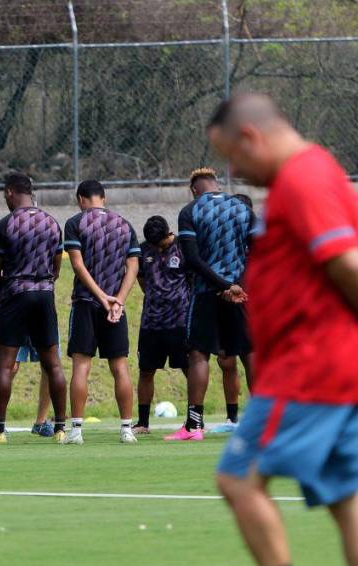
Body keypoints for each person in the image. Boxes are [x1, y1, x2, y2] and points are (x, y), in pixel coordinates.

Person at [210, 92, 358, 566]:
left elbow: (342, 259)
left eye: (231, 158)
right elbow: (347, 257)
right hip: (338, 365)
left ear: (251, 137)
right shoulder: (318, 171)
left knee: (237, 479)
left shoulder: (301, 179)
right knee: (348, 497)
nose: (235, 172)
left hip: (307, 366)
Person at [167, 167, 255, 441]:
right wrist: (236, 284)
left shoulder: (190, 211)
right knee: (250, 353)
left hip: (207, 292)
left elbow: (192, 259)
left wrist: (222, 285)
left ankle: (194, 426)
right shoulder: (242, 208)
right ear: (216, 184)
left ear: (194, 189)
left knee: (199, 354)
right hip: (240, 293)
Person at [0, 173, 68, 444]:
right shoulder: (51, 222)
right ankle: (59, 428)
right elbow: (57, 266)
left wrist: (5, 293)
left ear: (10, 192)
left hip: (14, 294)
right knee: (53, 363)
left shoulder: (4, 225)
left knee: (5, 365)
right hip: (44, 294)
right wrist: (44, 283)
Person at [64, 180, 141, 444]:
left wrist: (100, 297)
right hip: (115, 308)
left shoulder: (75, 222)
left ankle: (76, 431)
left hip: (86, 302)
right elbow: (133, 267)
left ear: (80, 199)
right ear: (104, 198)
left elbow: (77, 264)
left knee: (81, 366)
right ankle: (126, 429)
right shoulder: (124, 224)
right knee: (120, 367)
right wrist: (118, 300)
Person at [132, 216, 190, 434]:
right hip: (151, 322)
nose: (157, 247)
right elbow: (142, 281)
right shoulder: (143, 250)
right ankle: (143, 423)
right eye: (153, 244)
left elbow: (191, 280)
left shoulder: (183, 248)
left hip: (180, 320)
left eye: (161, 243)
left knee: (189, 368)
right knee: (146, 371)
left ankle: (194, 419)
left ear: (169, 234)